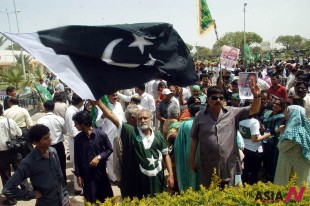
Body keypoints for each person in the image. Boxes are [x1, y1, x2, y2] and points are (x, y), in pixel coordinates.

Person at [93, 100, 174, 198]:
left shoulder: (158, 135)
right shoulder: (130, 132)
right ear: (136, 120)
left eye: (145, 118)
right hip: (138, 184)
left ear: (150, 119)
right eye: (140, 118)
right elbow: (111, 116)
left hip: (157, 181)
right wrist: (99, 103)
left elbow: (166, 155)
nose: (143, 120)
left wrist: (170, 174)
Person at [190, 81, 261, 188]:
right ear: (208, 99)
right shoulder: (199, 116)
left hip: (231, 166)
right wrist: (192, 160)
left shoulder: (232, 113)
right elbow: (195, 139)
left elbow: (253, 109)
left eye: (221, 97)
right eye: (214, 98)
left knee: (234, 194)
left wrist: (257, 96)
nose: (218, 100)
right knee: (211, 195)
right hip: (209, 165)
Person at [2, 124, 70, 206]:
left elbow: (60, 177)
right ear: (35, 142)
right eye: (46, 138)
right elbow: (8, 189)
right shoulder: (29, 162)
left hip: (62, 201)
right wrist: (33, 194)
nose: (50, 140)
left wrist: (66, 196)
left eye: (49, 136)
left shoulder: (53, 152)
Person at [73, 111, 113, 203]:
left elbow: (109, 149)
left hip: (100, 173)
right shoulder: (78, 139)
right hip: (87, 176)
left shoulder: (101, 135)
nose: (75, 126)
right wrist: (78, 175)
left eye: (76, 123)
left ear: (83, 123)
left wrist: (98, 157)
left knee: (105, 199)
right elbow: (77, 158)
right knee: (91, 200)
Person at [274, 105, 310, 187]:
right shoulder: (303, 128)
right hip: (298, 166)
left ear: (294, 113)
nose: (285, 114)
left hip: (292, 168)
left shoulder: (295, 131)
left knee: (291, 192)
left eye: (287, 111)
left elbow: (282, 147)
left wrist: (281, 133)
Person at [95, 93, 125, 183]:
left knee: (120, 155)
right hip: (109, 136)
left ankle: (121, 174)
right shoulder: (103, 107)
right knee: (111, 157)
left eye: (116, 95)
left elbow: (122, 119)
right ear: (107, 97)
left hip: (119, 134)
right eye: (113, 95)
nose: (115, 97)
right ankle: (114, 178)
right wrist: (102, 117)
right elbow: (97, 123)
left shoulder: (119, 105)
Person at [37, 101, 67, 183]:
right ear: (53, 108)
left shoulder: (40, 120)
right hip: (59, 146)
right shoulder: (60, 119)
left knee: (48, 166)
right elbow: (65, 131)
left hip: (46, 147)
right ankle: (63, 183)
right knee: (61, 165)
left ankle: (51, 184)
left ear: (44, 108)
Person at [174, 104, 202, 191]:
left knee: (190, 174)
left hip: (188, 153)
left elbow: (178, 143)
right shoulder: (204, 123)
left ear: (189, 113)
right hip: (203, 154)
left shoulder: (184, 124)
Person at [0, 104, 23, 205]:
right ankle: (24, 191)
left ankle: (10, 198)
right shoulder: (9, 121)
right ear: (2, 111)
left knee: (5, 174)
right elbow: (19, 133)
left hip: (1, 153)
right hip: (13, 149)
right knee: (19, 170)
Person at [64, 93, 84, 194]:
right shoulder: (72, 112)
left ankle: (79, 186)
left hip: (76, 140)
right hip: (76, 140)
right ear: (80, 102)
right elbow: (74, 131)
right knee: (77, 164)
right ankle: (78, 188)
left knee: (78, 164)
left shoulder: (73, 110)